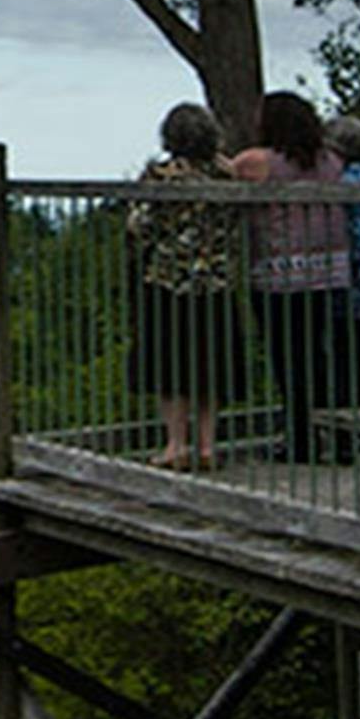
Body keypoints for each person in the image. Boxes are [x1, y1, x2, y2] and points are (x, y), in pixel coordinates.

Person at [128, 102, 246, 472]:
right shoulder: (228, 174)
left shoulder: (161, 175)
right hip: (217, 280)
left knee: (170, 367)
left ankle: (175, 444)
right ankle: (208, 445)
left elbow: (139, 225)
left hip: (169, 280)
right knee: (211, 363)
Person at [232, 92, 350, 461]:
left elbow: (227, 171)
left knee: (289, 358)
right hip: (331, 271)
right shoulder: (332, 161)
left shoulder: (258, 162)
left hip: (279, 274)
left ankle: (300, 438)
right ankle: (339, 434)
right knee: (325, 357)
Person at [325, 114, 360, 412]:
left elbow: (354, 235)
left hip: (349, 285)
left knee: (346, 361)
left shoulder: (340, 183)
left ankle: (350, 422)